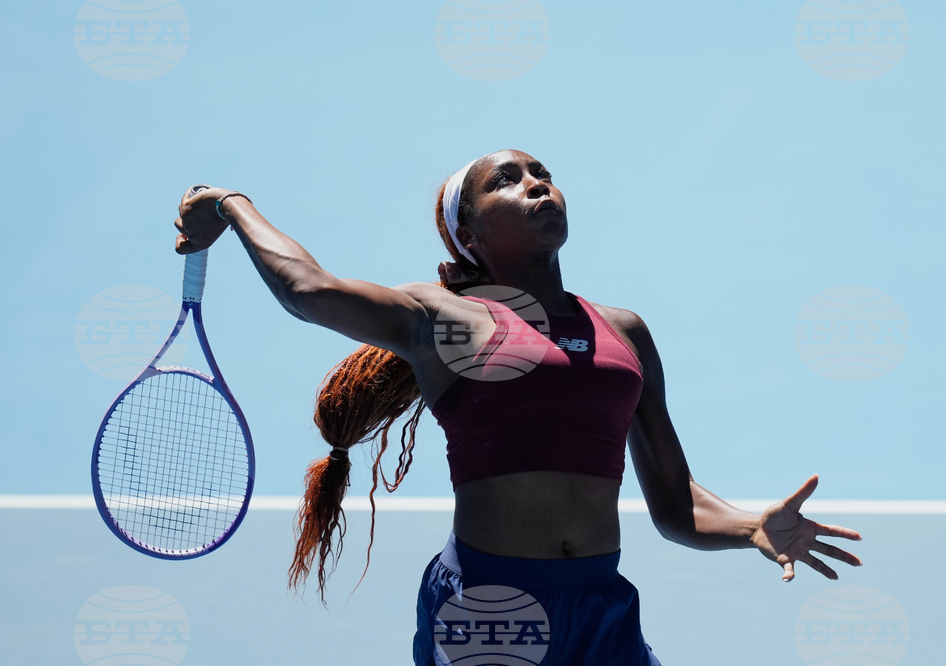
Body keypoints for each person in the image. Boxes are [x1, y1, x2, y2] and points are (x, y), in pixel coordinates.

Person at [173, 149, 863, 665]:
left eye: (542, 172)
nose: (536, 183)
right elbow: (307, 289)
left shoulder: (624, 332)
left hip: (602, 609)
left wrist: (750, 527)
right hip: (490, 606)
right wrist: (232, 205)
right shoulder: (441, 317)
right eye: (506, 180)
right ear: (468, 234)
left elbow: (675, 502)